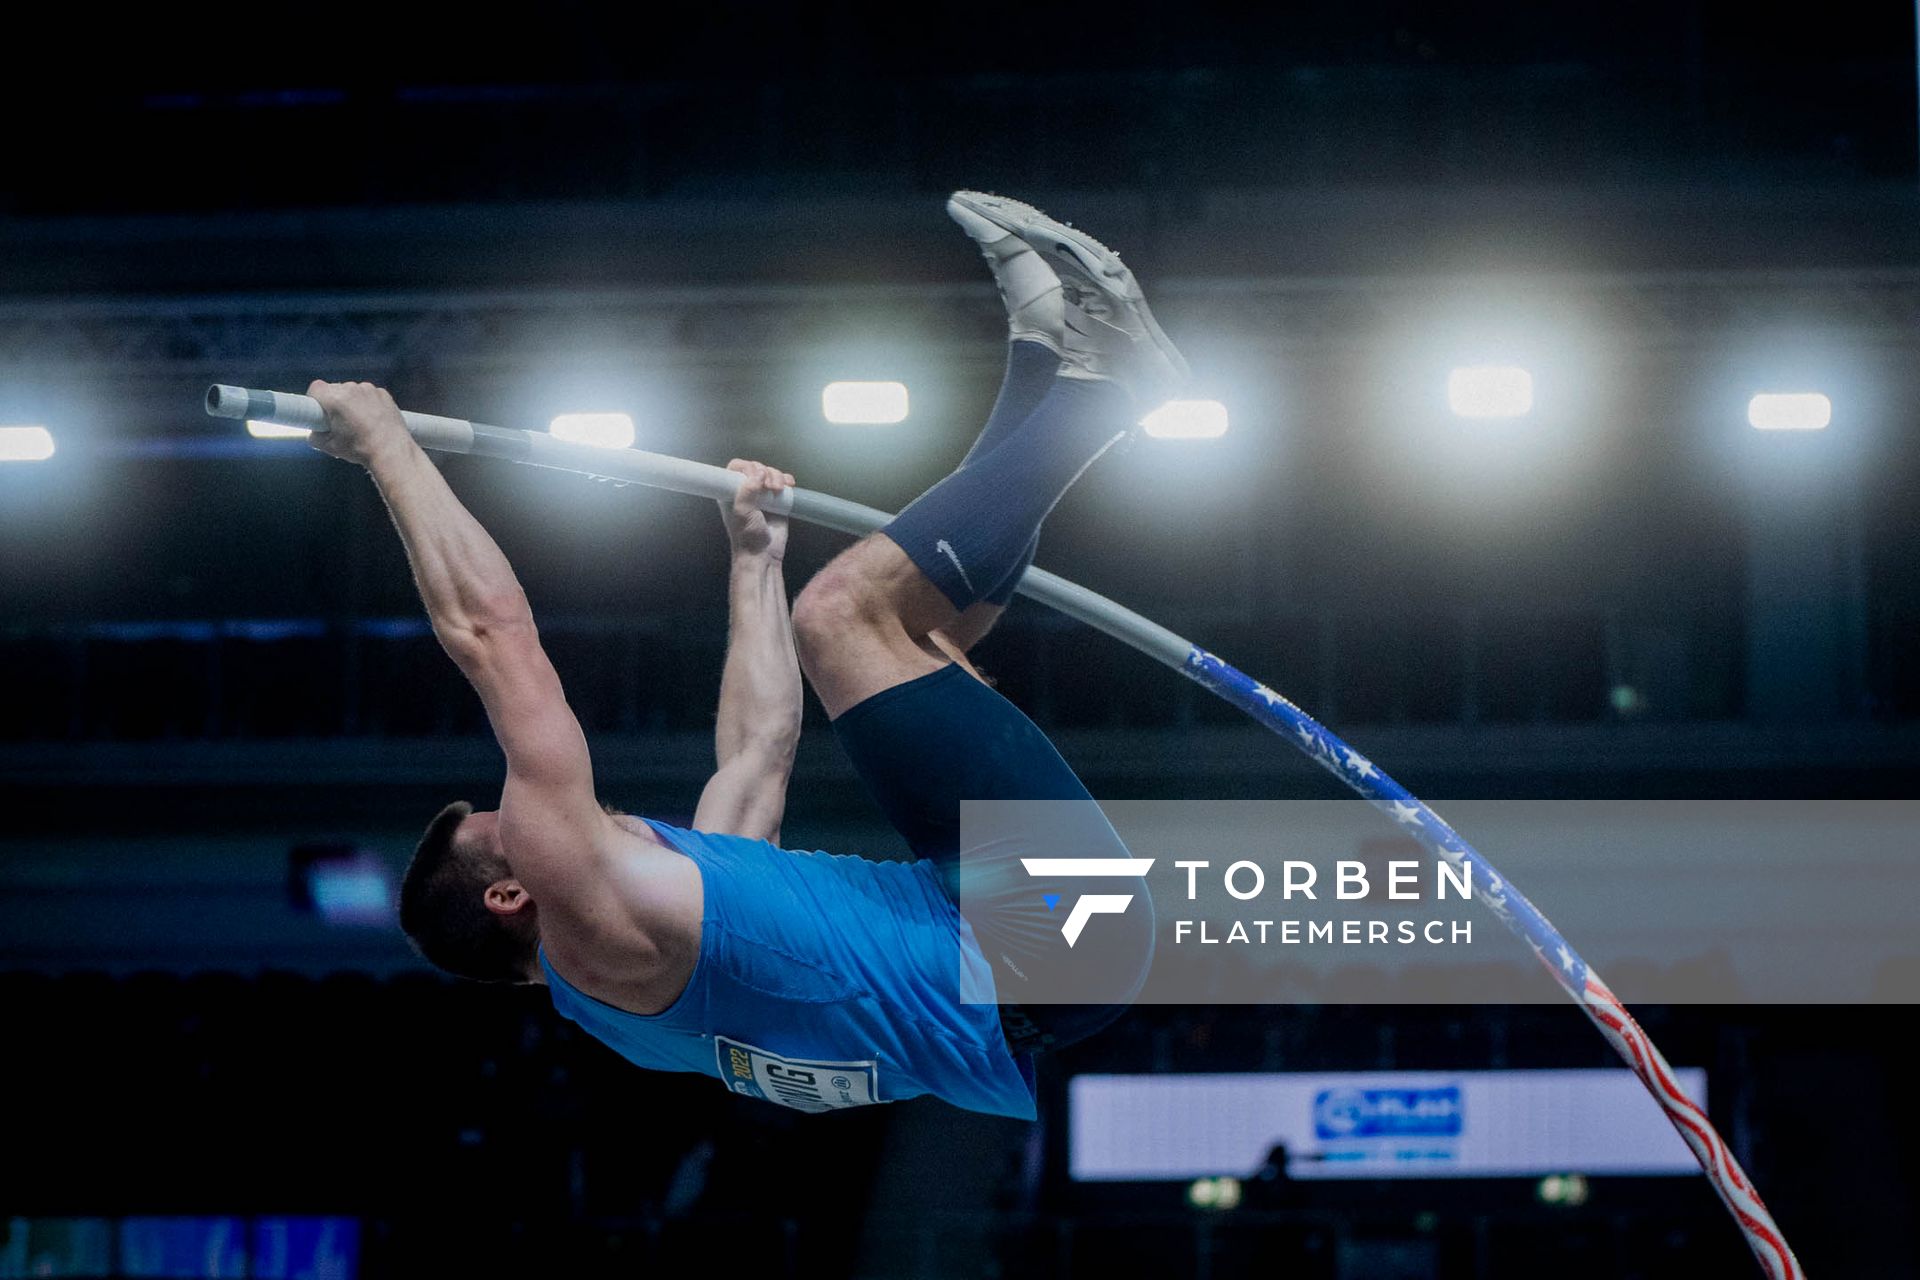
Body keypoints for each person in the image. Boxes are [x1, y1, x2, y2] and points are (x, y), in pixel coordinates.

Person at [306, 192, 1186, 1119]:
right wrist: (388, 451)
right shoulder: (595, 910)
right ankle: (1112, 391)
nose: (520, 806)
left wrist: (752, 561)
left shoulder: (644, 962)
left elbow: (758, 750)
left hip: (1048, 967)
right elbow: (492, 638)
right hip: (1051, 945)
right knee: (844, 617)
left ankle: (1041, 357)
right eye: (504, 823)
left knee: (917, 637)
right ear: (514, 892)